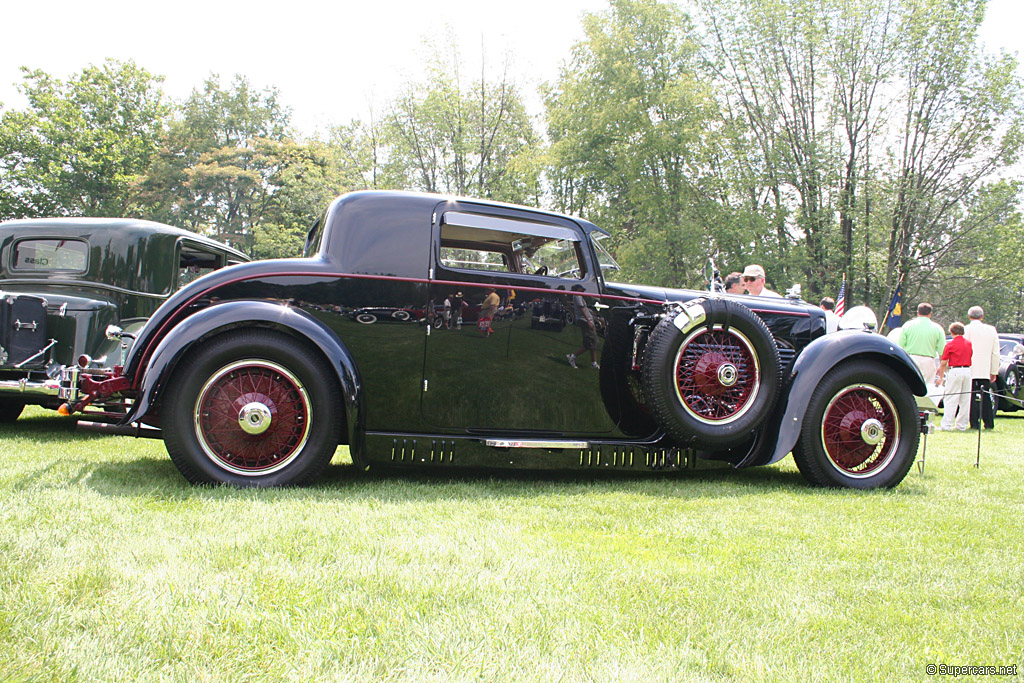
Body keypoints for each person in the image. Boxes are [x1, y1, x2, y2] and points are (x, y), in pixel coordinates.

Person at [964, 305, 999, 429]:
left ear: (969, 316)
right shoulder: (991, 330)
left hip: (969, 368)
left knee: (971, 396)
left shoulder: (965, 330)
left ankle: (974, 423)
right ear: (982, 316)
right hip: (985, 369)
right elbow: (995, 352)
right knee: (986, 396)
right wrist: (994, 370)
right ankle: (989, 423)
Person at [936, 321, 973, 431]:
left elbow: (944, 362)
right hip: (967, 371)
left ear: (952, 332)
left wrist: (941, 377)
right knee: (965, 399)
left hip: (955, 370)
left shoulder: (950, 344)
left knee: (951, 398)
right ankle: (962, 425)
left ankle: (946, 424)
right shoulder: (969, 343)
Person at [897, 302, 945, 384]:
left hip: (911, 359)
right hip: (928, 361)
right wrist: (941, 367)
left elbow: (900, 346)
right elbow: (942, 351)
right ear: (930, 314)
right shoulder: (937, 328)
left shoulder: (908, 325)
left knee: (910, 384)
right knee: (928, 387)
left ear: (918, 312)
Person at [566, 286, 600, 369]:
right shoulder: (577, 295)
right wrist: (588, 320)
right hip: (585, 321)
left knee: (593, 342)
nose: (584, 291)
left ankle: (594, 363)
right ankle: (572, 356)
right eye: (582, 289)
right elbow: (581, 308)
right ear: (578, 288)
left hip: (588, 320)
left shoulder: (579, 296)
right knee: (590, 342)